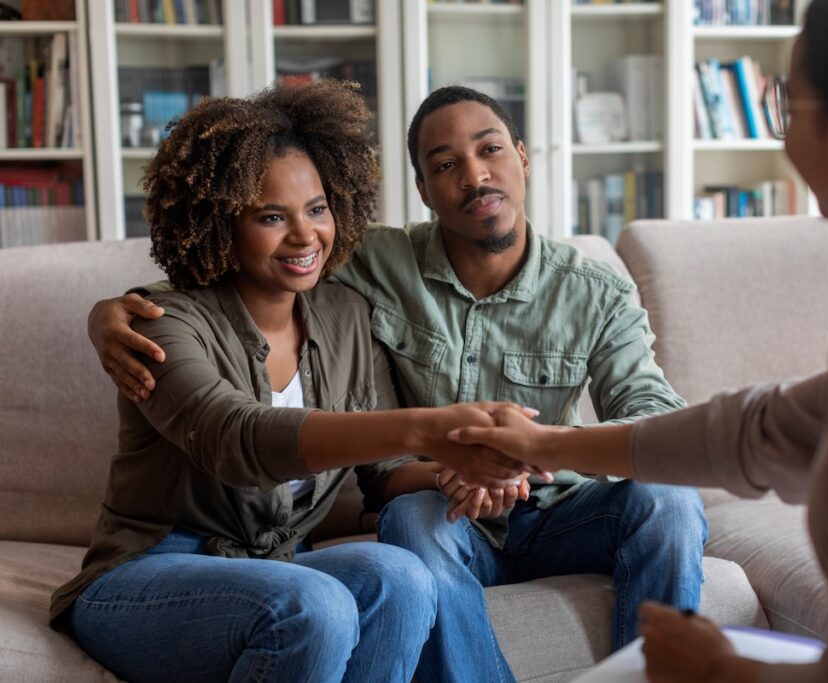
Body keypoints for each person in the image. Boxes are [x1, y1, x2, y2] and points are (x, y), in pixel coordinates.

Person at [448, 0, 828, 681]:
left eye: (787, 100)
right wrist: (545, 445)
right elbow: (753, 431)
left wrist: (725, 667)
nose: (779, 129)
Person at [86, 86, 708, 682]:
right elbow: (234, 419)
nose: (475, 176)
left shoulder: (347, 311)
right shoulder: (362, 269)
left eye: (490, 150)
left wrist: (519, 454)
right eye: (446, 164)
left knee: (665, 502)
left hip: (556, 512)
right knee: (400, 534)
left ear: (521, 157)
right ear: (423, 189)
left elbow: (656, 421)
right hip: (185, 552)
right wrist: (107, 312)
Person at [51, 80, 535, 683]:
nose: (305, 236)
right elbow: (236, 439)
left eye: (317, 209)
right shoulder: (162, 323)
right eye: (272, 217)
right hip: (148, 573)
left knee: (402, 575)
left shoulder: (347, 316)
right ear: (220, 221)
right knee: (314, 604)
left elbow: (384, 476)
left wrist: (451, 470)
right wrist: (437, 427)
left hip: (279, 565)